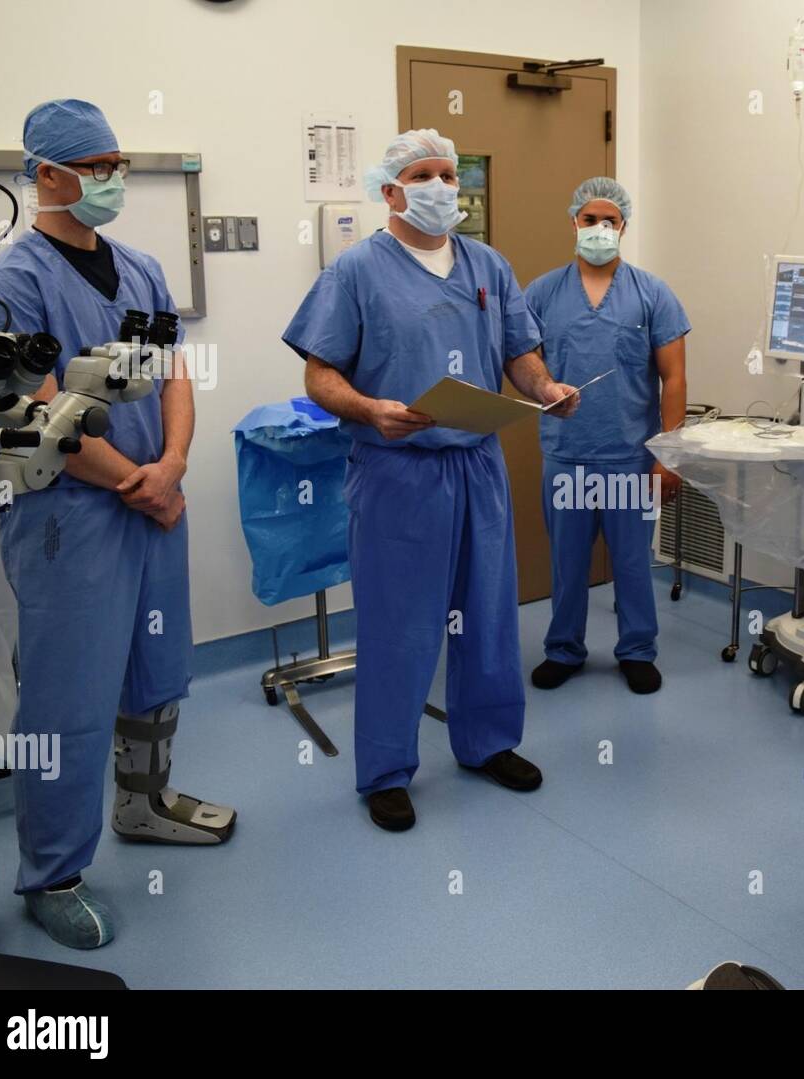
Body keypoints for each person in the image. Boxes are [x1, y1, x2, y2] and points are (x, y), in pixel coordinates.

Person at [0, 99, 235, 950]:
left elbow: (176, 377)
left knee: (156, 669)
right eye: (102, 165)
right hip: (70, 516)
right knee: (68, 700)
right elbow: (29, 411)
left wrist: (174, 465)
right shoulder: (13, 284)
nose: (115, 179)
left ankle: (144, 804)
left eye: (121, 163)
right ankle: (50, 871)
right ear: (48, 174)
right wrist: (137, 480)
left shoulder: (144, 269)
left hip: (154, 500)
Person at [283, 129, 579, 833]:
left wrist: (545, 388)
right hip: (397, 470)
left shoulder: (487, 264)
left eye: (450, 174)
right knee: (400, 626)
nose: (442, 186)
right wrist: (367, 408)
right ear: (390, 190)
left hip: (478, 465)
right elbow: (319, 373)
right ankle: (386, 770)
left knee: (487, 614)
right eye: (424, 173)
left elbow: (521, 354)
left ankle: (488, 742)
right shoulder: (356, 271)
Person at [524, 178, 689, 696]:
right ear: (574, 222)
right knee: (567, 565)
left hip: (629, 458)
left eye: (609, 221)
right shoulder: (544, 292)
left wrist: (669, 456)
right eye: (590, 219)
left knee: (633, 565)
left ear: (624, 226)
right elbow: (522, 361)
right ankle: (564, 649)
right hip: (567, 455)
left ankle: (637, 650)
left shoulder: (652, 293)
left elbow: (675, 378)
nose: (599, 228)